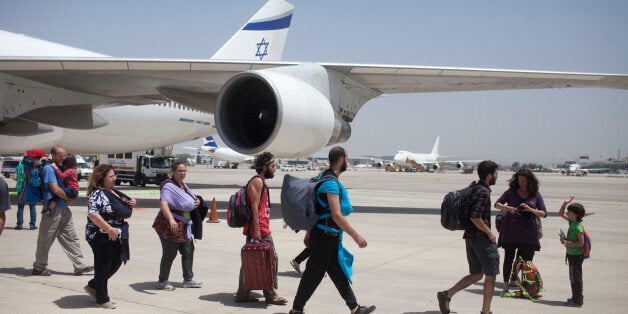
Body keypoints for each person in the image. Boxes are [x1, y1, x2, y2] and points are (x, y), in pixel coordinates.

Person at [290, 147, 375, 314]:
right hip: (325, 236)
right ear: (341, 159)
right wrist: (356, 236)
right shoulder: (330, 182)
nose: (348, 162)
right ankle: (296, 310)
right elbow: (336, 214)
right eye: (347, 159)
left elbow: (316, 210)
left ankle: (354, 308)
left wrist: (309, 231)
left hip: (324, 235)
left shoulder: (321, 177)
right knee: (312, 276)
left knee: (337, 273)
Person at [437, 160, 500, 314]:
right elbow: (475, 217)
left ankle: (447, 295)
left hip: (471, 238)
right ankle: (486, 311)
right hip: (481, 239)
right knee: (490, 276)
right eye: (496, 173)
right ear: (490, 175)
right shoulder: (483, 192)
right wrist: (490, 233)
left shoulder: (474, 187)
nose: (497, 176)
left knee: (477, 274)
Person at [32, 146, 94, 276]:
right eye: (60, 155)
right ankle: (39, 267)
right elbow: (55, 189)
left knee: (72, 238)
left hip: (64, 209)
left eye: (64, 155)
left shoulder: (61, 168)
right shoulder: (49, 169)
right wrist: (68, 198)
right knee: (46, 238)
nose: (63, 157)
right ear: (53, 155)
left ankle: (80, 265)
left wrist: (68, 200)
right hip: (53, 210)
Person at [235, 152, 288, 305]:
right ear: (264, 167)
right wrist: (257, 230)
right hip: (260, 229)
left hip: (259, 227)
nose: (275, 169)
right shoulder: (257, 181)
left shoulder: (260, 181)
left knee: (250, 260)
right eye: (272, 166)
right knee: (270, 259)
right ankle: (270, 294)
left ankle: (242, 294)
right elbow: (254, 207)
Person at [84, 164, 136, 309]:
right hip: (101, 235)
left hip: (116, 234)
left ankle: (94, 285)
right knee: (103, 265)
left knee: (117, 261)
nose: (115, 178)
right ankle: (102, 298)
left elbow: (123, 205)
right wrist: (108, 228)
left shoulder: (113, 191)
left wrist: (131, 202)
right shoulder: (97, 194)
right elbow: (93, 214)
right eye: (111, 176)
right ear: (102, 178)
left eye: (114, 175)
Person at [493, 168, 547, 293]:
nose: (522, 183)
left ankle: (523, 284)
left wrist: (531, 210)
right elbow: (497, 204)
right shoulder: (511, 192)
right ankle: (506, 285)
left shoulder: (535, 194)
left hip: (528, 234)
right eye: (520, 180)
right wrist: (509, 208)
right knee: (508, 258)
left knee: (525, 261)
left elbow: (544, 213)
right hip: (511, 231)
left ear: (530, 181)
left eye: (524, 181)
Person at [153, 162, 203, 290]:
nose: (182, 173)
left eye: (184, 171)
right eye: (179, 171)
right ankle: (162, 281)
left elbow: (189, 200)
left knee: (188, 251)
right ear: (173, 172)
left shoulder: (183, 186)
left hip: (184, 226)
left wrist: (197, 201)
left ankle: (188, 279)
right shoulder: (168, 186)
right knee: (169, 254)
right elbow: (163, 203)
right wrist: (171, 219)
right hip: (170, 226)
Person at [558, 196, 586, 307]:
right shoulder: (572, 222)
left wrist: (567, 242)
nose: (567, 212)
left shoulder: (578, 227)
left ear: (576, 214)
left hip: (576, 256)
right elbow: (560, 213)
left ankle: (577, 301)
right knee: (573, 277)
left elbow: (581, 244)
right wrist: (565, 203)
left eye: (569, 211)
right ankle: (576, 298)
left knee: (576, 278)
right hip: (571, 254)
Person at [14, 158, 37, 230]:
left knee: (20, 207)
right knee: (32, 207)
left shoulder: (19, 167)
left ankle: (20, 225)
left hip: (21, 189)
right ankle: (32, 225)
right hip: (31, 189)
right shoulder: (33, 168)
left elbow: (14, 177)